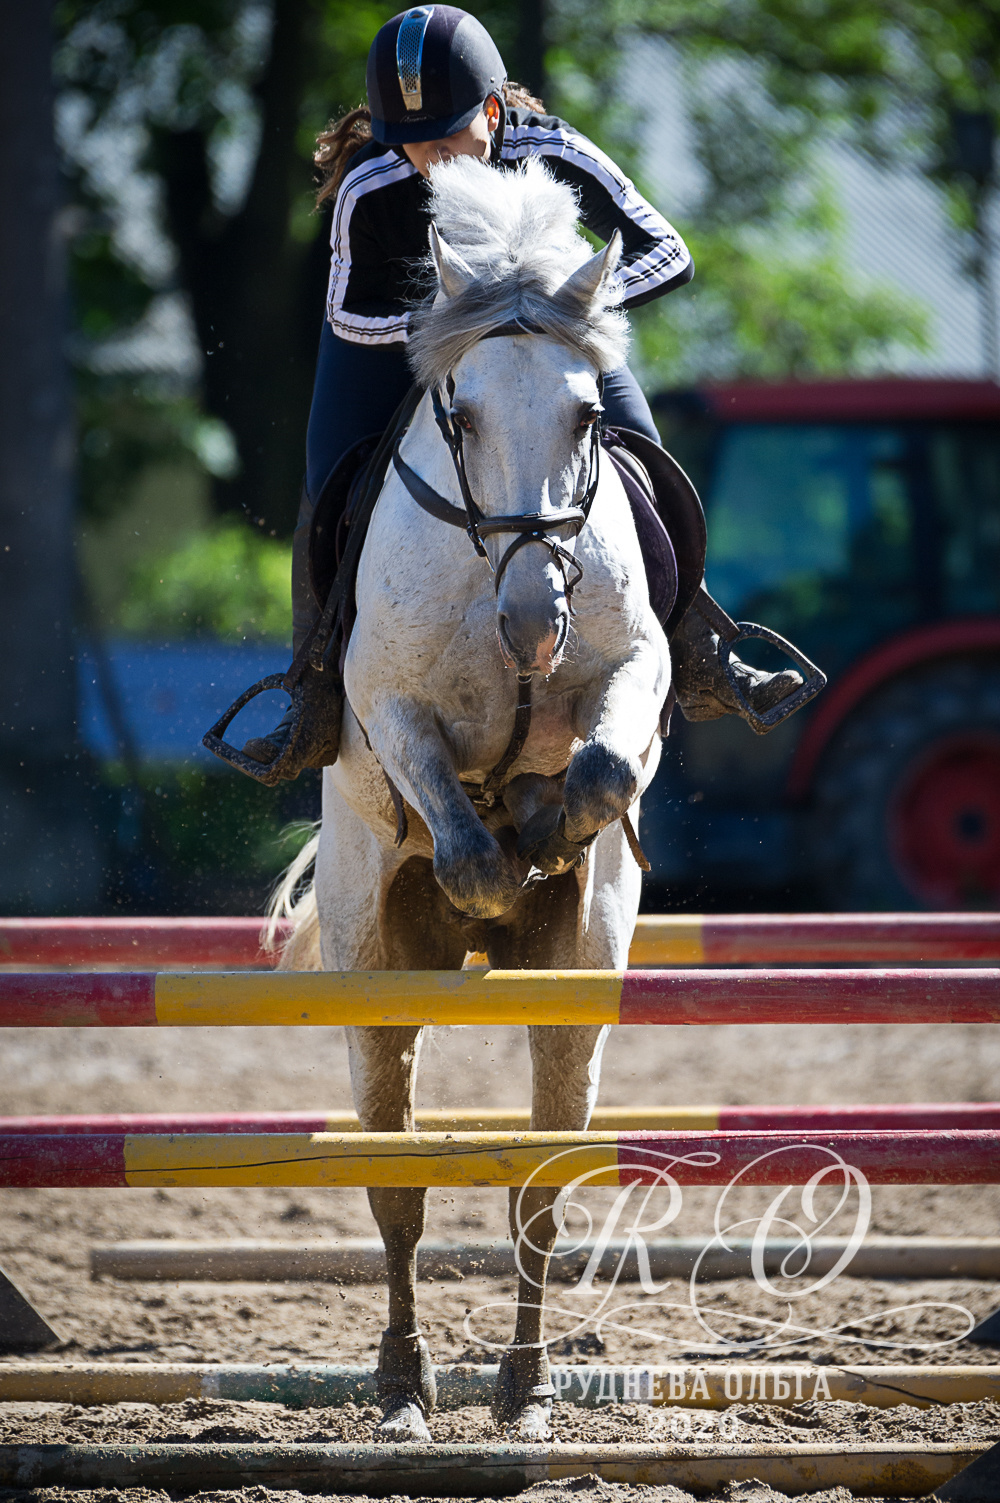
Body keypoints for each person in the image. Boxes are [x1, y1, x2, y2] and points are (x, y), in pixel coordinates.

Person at [241, 5, 806, 774]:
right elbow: (347, 314)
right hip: (392, 341)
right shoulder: (371, 181)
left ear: (496, 112)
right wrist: (454, 325)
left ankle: (702, 648)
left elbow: (668, 253)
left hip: (549, 337)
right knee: (327, 481)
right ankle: (310, 693)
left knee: (644, 454)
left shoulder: (555, 151)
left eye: (447, 137)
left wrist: (556, 311)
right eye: (409, 142)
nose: (428, 161)